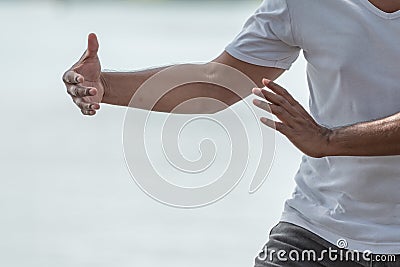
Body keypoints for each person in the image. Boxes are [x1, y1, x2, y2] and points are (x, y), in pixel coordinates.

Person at [63, 0, 400, 266]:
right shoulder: (303, 5)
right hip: (316, 231)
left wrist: (327, 141)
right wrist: (105, 86)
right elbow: (216, 84)